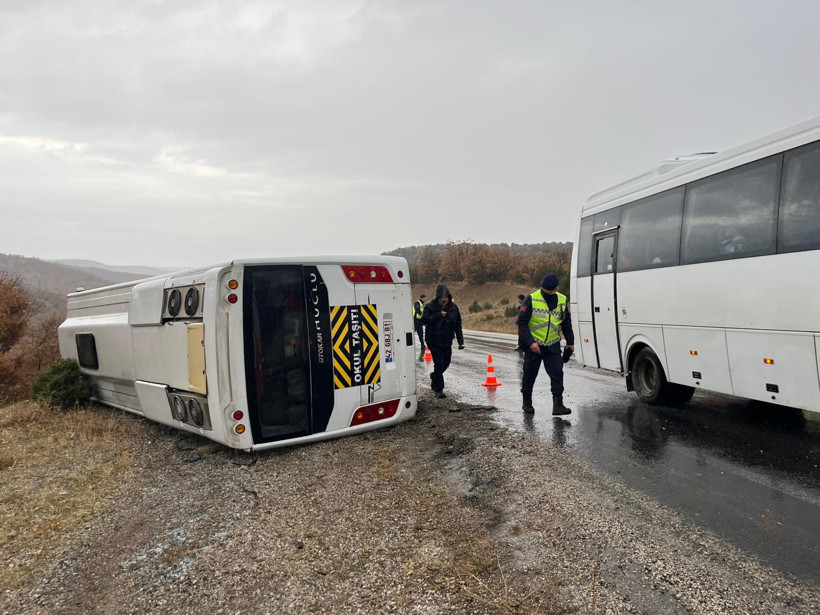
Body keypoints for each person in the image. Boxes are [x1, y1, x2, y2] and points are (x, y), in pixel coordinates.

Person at [517, 273, 574, 416]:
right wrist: (530, 343)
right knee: (529, 375)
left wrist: (570, 342)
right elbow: (522, 323)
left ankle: (558, 406)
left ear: (556, 289)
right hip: (534, 346)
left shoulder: (562, 299)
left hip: (553, 344)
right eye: (546, 290)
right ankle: (527, 403)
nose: (550, 293)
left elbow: (566, 323)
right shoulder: (531, 299)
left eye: (552, 290)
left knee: (557, 374)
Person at [421, 284, 464, 399]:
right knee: (439, 363)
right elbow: (424, 320)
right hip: (434, 340)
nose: (444, 299)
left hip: (447, 340)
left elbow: (458, 324)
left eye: (446, 297)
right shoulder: (430, 306)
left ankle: (435, 376)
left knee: (446, 363)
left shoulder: (453, 307)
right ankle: (438, 389)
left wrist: (461, 341)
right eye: (442, 297)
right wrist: (438, 315)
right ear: (438, 297)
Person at [413, 293, 426, 360]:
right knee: (412, 334)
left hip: (419, 322)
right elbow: (418, 311)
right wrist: (423, 314)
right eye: (424, 298)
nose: (425, 299)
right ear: (421, 298)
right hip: (415, 321)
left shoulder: (422, 304)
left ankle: (422, 346)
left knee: (420, 334)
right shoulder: (417, 303)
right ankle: (410, 346)